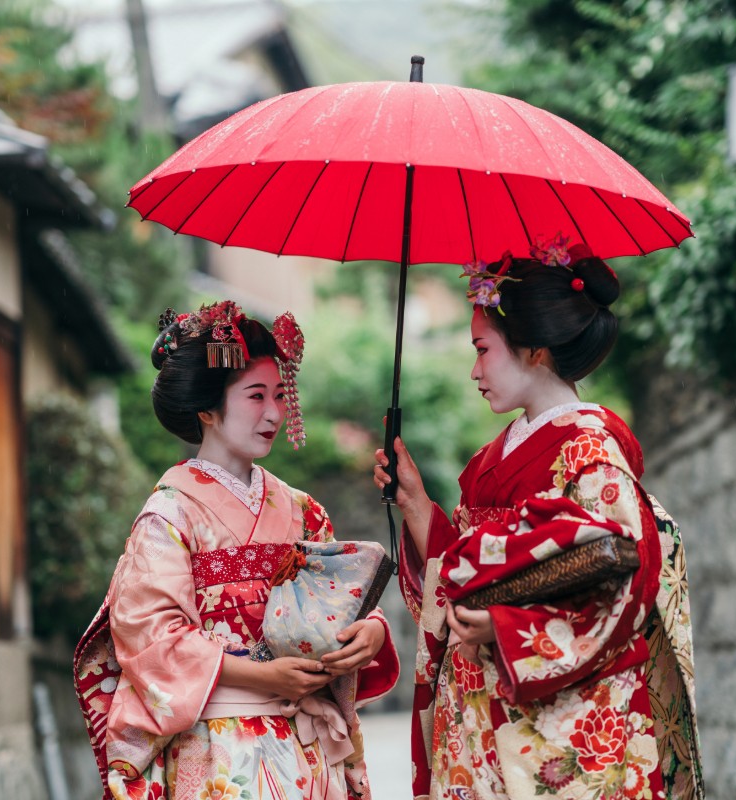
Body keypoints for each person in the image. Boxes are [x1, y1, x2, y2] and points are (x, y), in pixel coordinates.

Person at [373, 236, 701, 800]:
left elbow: (622, 577)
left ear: (534, 350)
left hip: (555, 717)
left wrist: (504, 628)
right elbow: (466, 567)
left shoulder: (590, 449)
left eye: (482, 348)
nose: (474, 368)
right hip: (477, 701)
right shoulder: (494, 456)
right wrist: (416, 505)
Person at [76, 300, 400, 800]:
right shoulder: (170, 514)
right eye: (255, 395)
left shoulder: (302, 510)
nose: (274, 412)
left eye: (278, 394)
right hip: (216, 748)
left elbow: (338, 604)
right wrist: (262, 675)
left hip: (304, 746)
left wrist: (372, 631)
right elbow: (153, 640)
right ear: (206, 408)